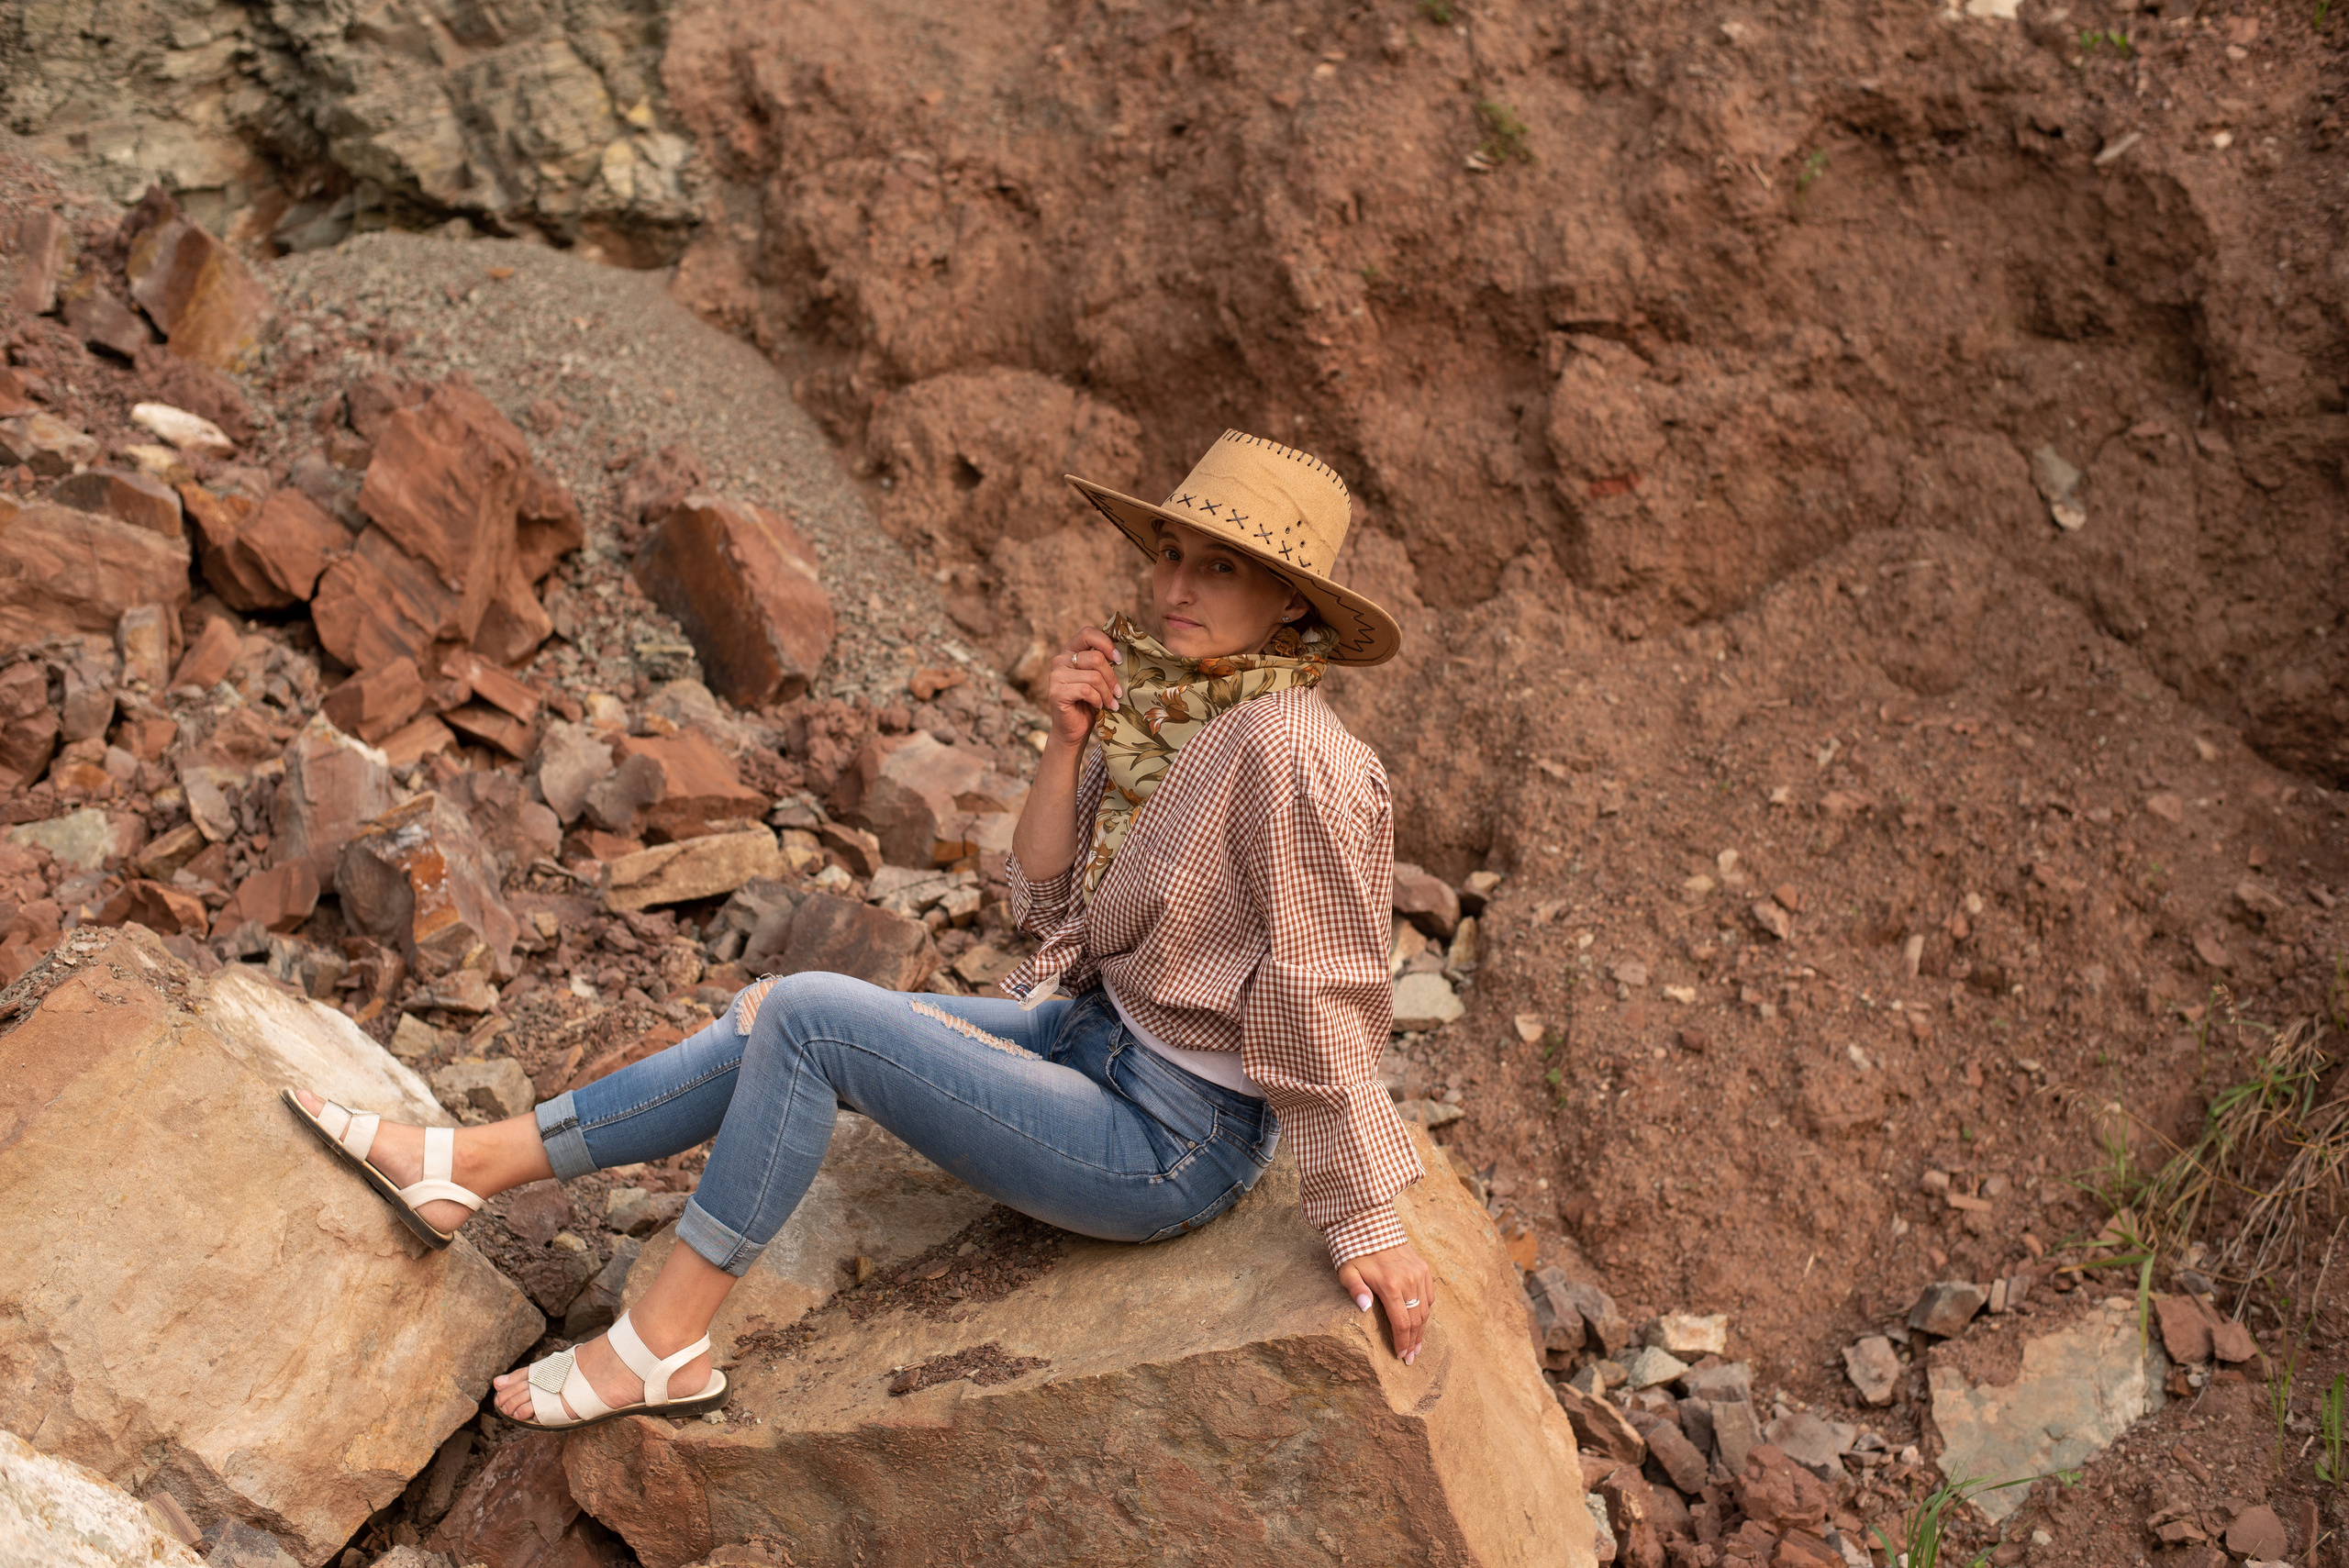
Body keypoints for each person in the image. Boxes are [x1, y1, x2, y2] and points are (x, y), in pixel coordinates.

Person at [284, 429, 1432, 1431]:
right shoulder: (1171, 711)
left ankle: (664, 1343)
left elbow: (1324, 992)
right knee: (765, 1017)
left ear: (1290, 601)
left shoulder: (1299, 753)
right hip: (1093, 1038)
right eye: (1171, 552)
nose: (1176, 582)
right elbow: (1048, 902)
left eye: (1219, 565)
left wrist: (1359, 1209)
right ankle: (469, 1164)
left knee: (811, 1016)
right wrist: (1069, 741)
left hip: (1173, 1137)